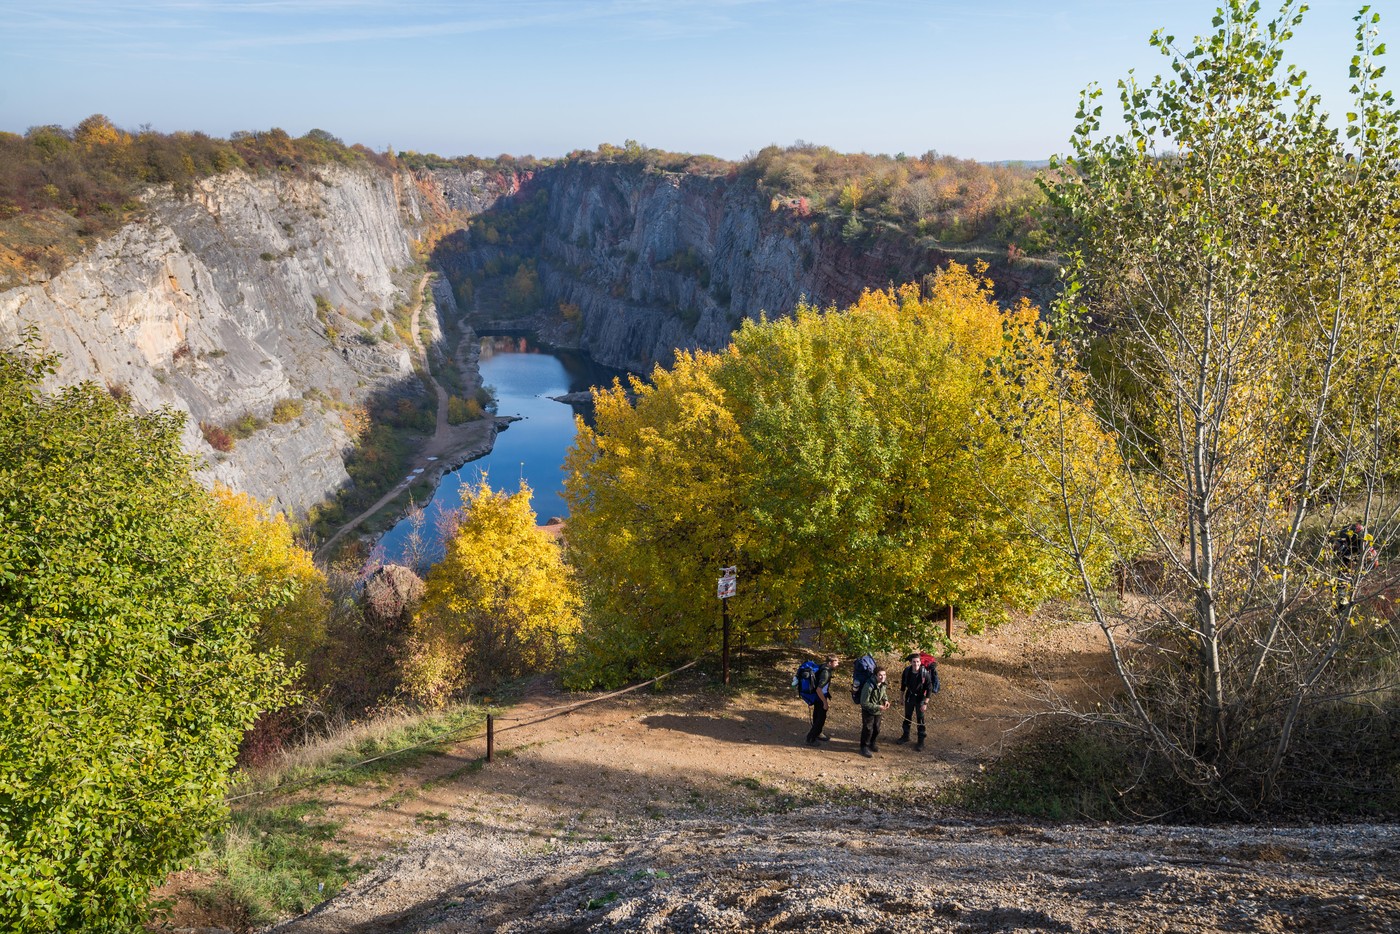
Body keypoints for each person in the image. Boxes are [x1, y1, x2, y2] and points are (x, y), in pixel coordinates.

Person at [896, 652, 939, 750]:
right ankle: (905, 736)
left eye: (918, 662)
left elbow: (929, 688)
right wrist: (901, 698)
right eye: (914, 662)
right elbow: (903, 685)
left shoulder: (924, 673)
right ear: (911, 662)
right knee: (907, 717)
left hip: (920, 698)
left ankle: (921, 741)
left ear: (920, 662)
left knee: (920, 720)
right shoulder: (907, 671)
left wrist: (925, 703)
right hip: (909, 697)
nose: (916, 664)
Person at [805, 653, 838, 746]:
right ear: (830, 663)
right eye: (836, 662)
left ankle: (818, 734)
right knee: (820, 719)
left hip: (817, 697)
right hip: (821, 697)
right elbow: (819, 689)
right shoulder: (826, 673)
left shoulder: (823, 666)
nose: (838, 664)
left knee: (816, 716)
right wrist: (825, 702)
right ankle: (810, 738)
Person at [858, 666, 890, 757]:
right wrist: (878, 706)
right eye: (880, 675)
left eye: (884, 675)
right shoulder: (868, 686)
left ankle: (872, 743)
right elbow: (864, 703)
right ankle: (864, 747)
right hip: (868, 711)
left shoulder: (883, 684)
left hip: (878, 710)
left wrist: (885, 700)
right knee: (868, 729)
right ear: (875, 676)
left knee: (876, 729)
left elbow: (883, 693)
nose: (882, 677)